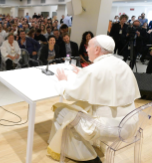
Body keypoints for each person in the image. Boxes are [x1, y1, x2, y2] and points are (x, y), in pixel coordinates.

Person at [48, 35, 140, 163]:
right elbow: (107, 84)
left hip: (110, 128)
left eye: (88, 46)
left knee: (61, 111)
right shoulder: (123, 65)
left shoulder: (93, 70)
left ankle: (88, 157)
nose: (86, 50)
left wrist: (63, 81)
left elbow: (68, 95)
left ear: (97, 49)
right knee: (83, 107)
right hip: (131, 123)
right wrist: (81, 74)